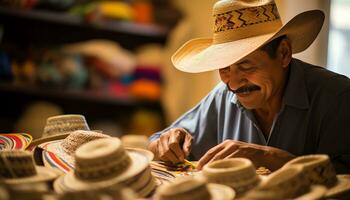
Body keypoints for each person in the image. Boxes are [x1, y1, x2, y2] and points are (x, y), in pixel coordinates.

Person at [149, 0, 350, 173]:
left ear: (283, 53)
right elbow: (157, 142)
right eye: (224, 68)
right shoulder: (223, 97)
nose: (233, 84)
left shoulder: (338, 97)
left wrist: (270, 157)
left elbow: (344, 178)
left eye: (245, 65)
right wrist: (166, 143)